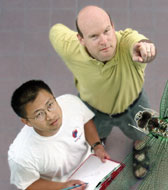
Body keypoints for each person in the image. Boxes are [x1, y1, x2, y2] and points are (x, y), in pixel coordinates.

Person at [49, 5, 156, 179]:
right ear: (81, 39)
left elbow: (139, 42)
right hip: (92, 111)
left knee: (141, 133)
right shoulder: (70, 48)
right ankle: (98, 143)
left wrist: (147, 48)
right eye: (94, 36)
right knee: (94, 135)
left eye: (107, 31)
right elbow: (56, 32)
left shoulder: (127, 43)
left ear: (113, 26)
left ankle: (139, 146)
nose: (104, 41)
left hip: (134, 107)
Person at [8, 80, 110, 190]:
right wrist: (63, 186)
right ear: (26, 122)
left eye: (50, 105)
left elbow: (85, 120)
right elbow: (28, 184)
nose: (50, 116)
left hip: (91, 166)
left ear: (54, 97)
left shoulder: (71, 102)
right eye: (39, 114)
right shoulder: (20, 156)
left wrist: (97, 146)